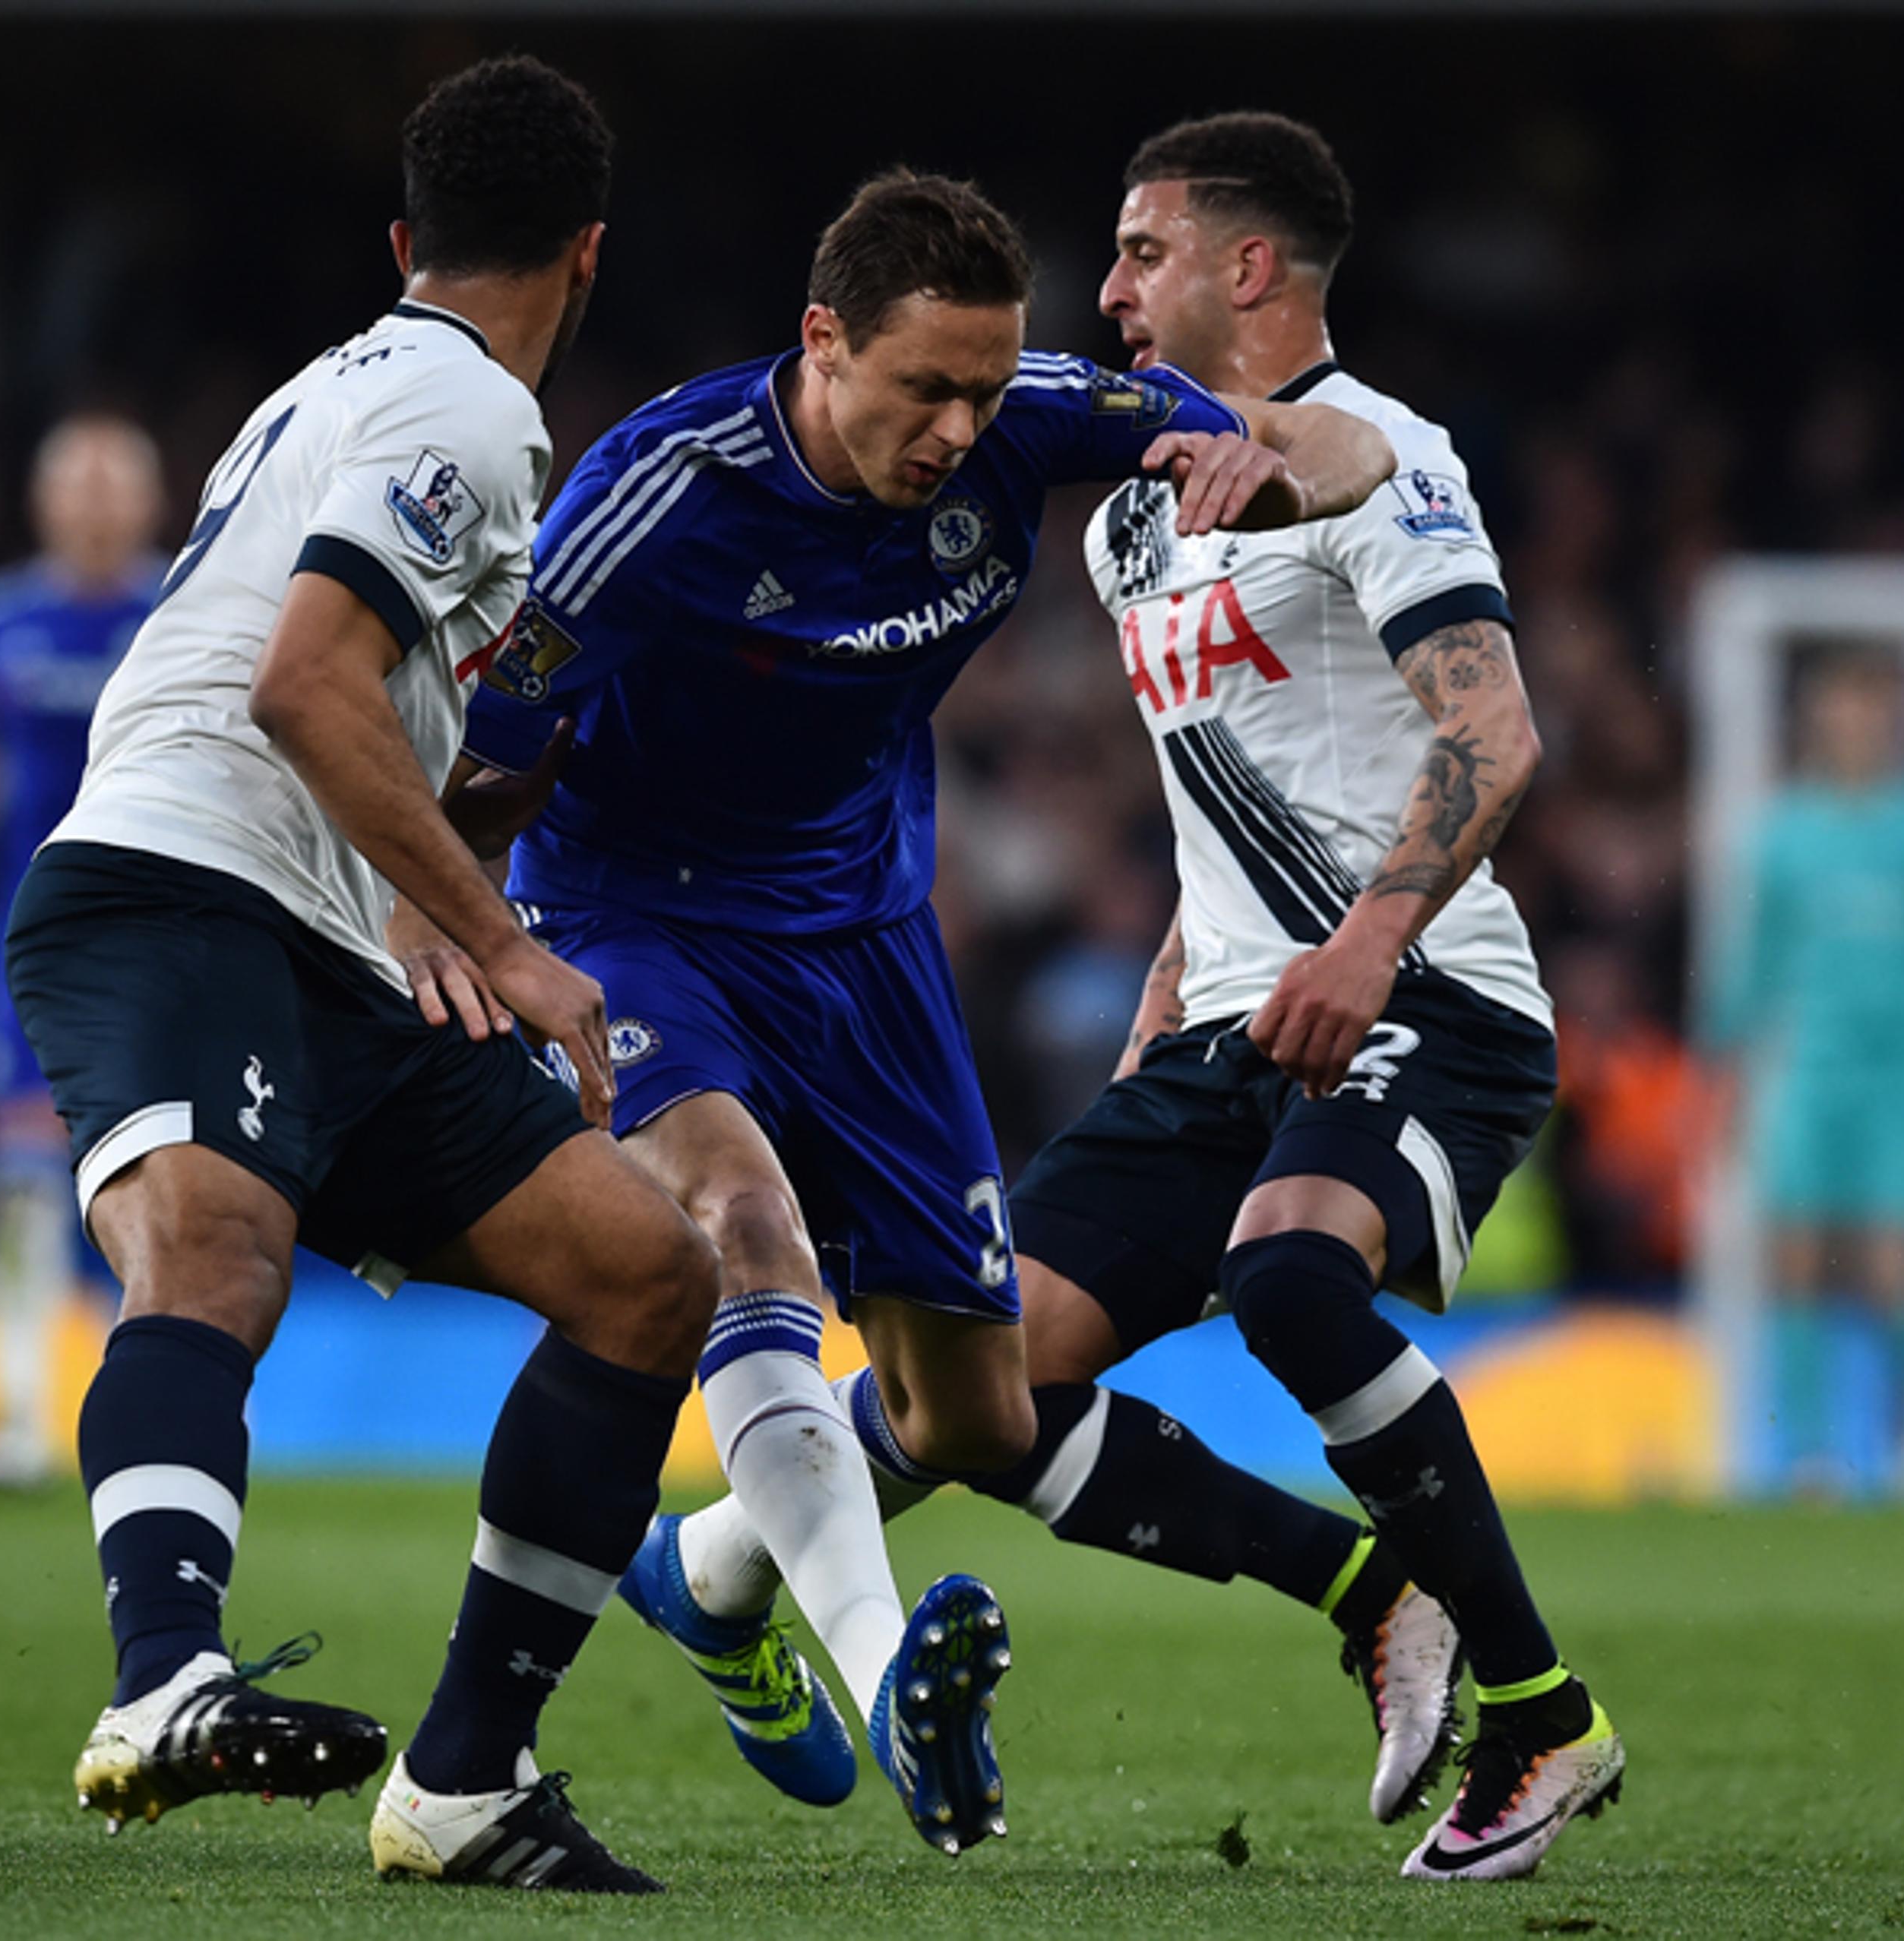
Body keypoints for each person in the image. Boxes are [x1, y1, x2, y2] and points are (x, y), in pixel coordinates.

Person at [657, 113, 1622, 1881]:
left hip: (1424, 1001)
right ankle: (1363, 1586)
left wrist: (1362, 948)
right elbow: (1218, 795)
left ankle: (1544, 1718)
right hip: (1221, 1032)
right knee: (982, 1378)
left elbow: (1493, 738)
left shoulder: (1381, 461)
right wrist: (1168, 1008)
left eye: (1136, 252)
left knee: (1285, 1272)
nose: (1099, 292)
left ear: (1245, 270)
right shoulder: (1128, 528)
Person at [432, 168, 1393, 1857]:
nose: (960, 427)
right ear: (822, 341)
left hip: (867, 945)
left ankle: (718, 1589)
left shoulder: (1032, 412)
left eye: (981, 386)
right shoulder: (657, 494)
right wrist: (471, 934)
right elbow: (486, 745)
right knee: (744, 1226)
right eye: (922, 388)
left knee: (975, 1415)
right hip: (640, 923)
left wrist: (1264, 452)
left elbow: (1341, 446)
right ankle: (888, 1678)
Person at [6, 56, 721, 1895]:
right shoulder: (468, 410)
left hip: (317, 931)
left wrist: (418, 894)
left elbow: (353, 696)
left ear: (406, 240)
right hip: (174, 880)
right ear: (587, 257)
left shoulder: (343, 379)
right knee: (218, 1252)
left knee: (645, 1275)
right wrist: (505, 946)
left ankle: (466, 1781)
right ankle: (163, 1679)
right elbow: (298, 683)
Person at [1707, 651, 1904, 1499]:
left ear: (1895, 717)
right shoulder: (1785, 835)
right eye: (1840, 705)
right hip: (1806, 1066)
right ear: (1817, 717)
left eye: (1870, 706)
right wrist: (1725, 1070)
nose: (1854, 722)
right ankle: (1809, 1454)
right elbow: (1753, 965)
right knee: (1796, 1251)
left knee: (1895, 1260)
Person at [0, 412, 165, 1487]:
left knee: (171, 1176)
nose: (91, 504)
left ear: (149, 501)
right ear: (41, 503)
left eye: (110, 485)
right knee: (18, 1179)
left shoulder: (186, 604)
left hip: (155, 929)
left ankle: (167, 1401)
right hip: (23, 935)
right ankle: (19, 1412)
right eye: (73, 484)